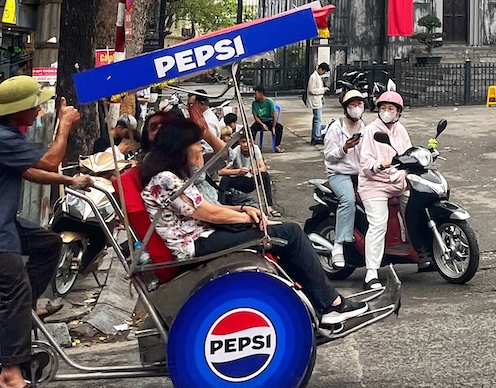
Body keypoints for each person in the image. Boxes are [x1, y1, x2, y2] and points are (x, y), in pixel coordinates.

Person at [137, 116, 364, 326]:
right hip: (194, 244)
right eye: (196, 144)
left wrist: (245, 210)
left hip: (203, 234)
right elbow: (209, 214)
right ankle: (331, 304)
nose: (200, 149)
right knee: (292, 233)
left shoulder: (173, 175)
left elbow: (210, 209)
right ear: (181, 148)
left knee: (281, 234)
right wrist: (248, 218)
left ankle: (315, 302)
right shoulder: (165, 179)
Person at [1, 84, 85, 388]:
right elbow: (50, 161)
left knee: (48, 243)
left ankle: (24, 313)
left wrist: (70, 182)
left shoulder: (9, 136)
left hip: (9, 221)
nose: (39, 111)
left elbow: (33, 171)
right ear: (17, 109)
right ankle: (9, 374)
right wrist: (64, 125)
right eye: (34, 106)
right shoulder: (4, 138)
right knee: (15, 290)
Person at [356, 87, 418, 287]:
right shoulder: (371, 131)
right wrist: (379, 164)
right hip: (375, 184)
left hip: (398, 181)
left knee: (418, 210)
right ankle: (371, 273)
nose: (386, 111)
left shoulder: (400, 129)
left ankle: (425, 255)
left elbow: (408, 152)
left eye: (391, 108)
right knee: (378, 225)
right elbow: (365, 164)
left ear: (398, 112)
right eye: (383, 107)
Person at [321, 88, 366, 271]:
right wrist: (344, 148)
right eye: (352, 105)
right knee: (348, 200)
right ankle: (338, 246)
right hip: (339, 174)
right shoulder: (336, 128)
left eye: (359, 104)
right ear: (346, 108)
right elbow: (329, 156)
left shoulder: (366, 127)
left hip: (362, 174)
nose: (356, 108)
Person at [215, 130, 274, 207]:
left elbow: (263, 167)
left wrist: (256, 170)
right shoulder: (235, 151)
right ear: (240, 142)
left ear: (252, 143)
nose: (246, 145)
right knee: (225, 180)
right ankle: (221, 206)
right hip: (239, 180)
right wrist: (238, 171)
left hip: (251, 180)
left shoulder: (255, 149)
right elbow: (221, 171)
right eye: (243, 142)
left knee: (265, 175)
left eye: (249, 142)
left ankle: (269, 206)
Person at [250, 86, 284, 153]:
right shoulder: (254, 103)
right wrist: (262, 124)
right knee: (252, 128)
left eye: (255, 94)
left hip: (270, 120)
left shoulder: (269, 101)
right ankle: (252, 145)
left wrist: (273, 127)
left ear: (261, 94)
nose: (254, 96)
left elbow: (275, 114)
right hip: (260, 121)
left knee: (279, 127)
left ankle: (277, 145)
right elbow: (255, 116)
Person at [306, 61, 330, 145]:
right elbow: (311, 90)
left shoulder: (317, 77)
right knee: (317, 119)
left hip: (318, 100)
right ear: (320, 69)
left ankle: (315, 136)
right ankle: (316, 137)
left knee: (317, 119)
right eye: (323, 71)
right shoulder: (313, 77)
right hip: (315, 101)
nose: (323, 73)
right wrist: (322, 90)